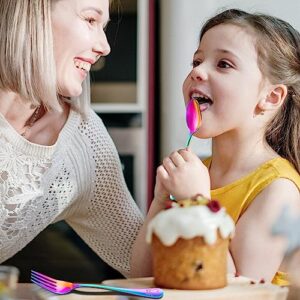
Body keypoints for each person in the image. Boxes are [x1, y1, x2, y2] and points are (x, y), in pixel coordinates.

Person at [134, 9, 300, 285]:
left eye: (223, 64)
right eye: (197, 61)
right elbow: (142, 275)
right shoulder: (199, 173)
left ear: (271, 97)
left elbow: (238, 289)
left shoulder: (278, 190)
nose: (197, 71)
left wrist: (197, 202)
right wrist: (160, 202)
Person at [0, 0, 148, 278]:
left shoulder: (83, 141)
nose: (104, 46)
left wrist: (177, 201)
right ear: (35, 14)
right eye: (91, 20)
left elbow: (144, 266)